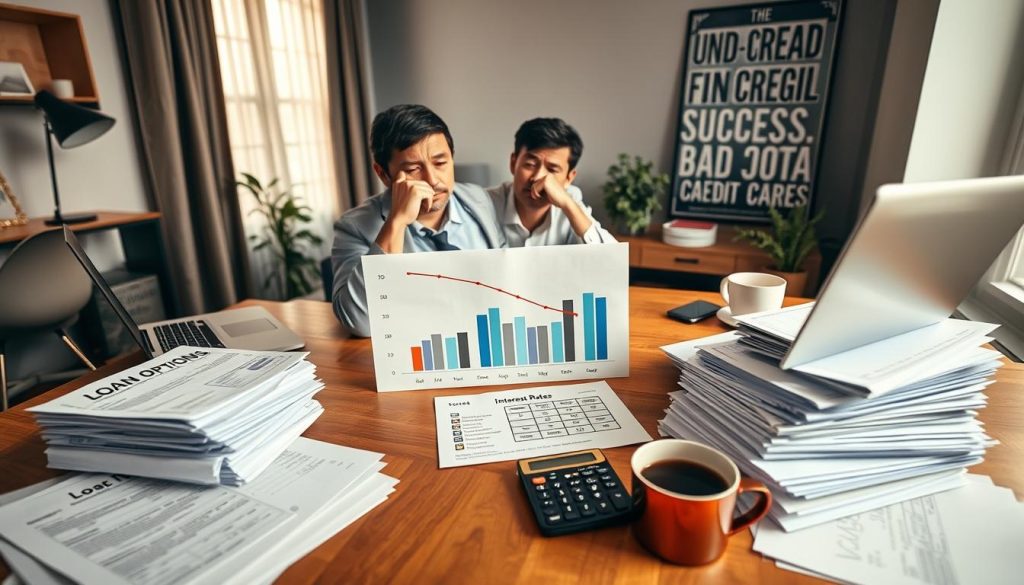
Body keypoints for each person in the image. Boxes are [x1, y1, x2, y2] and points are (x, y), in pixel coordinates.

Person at [331, 104, 506, 337]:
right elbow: (360, 322)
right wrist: (396, 221)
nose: (433, 179)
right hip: (420, 347)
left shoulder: (479, 199)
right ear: (383, 174)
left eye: (441, 163)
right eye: (414, 168)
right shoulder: (354, 227)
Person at [488, 118, 615, 247]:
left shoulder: (572, 205)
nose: (537, 177)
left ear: (569, 178)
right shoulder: (485, 205)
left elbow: (613, 259)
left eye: (552, 169)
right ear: (513, 163)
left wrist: (568, 205)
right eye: (530, 164)